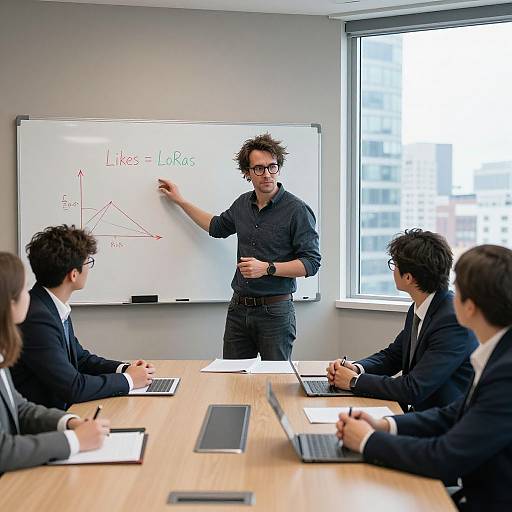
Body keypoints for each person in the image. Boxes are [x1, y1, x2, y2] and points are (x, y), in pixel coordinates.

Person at [336, 244, 512, 511]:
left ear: (470, 307)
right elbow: (453, 414)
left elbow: (444, 457)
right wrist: (383, 425)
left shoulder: (505, 373)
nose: (452, 295)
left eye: (459, 290)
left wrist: (367, 440)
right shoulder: (500, 353)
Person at [158, 133, 321, 360]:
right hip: (238, 309)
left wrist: (267, 268)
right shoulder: (242, 204)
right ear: (247, 173)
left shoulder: (297, 210)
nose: (267, 174)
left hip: (275, 312)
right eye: (259, 168)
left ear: (279, 168)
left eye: (272, 167)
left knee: (272, 382)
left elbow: (311, 263)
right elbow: (216, 227)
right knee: (232, 379)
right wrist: (181, 201)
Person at [327, 229, 477, 411]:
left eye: (394, 264)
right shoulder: (422, 307)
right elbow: (393, 356)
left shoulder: (452, 321)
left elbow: (413, 388)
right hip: (420, 415)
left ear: (408, 277)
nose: (393, 270)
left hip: (442, 424)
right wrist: (357, 369)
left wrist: (353, 381)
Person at [11, 225, 155, 410]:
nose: (89, 268)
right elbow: (74, 387)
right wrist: (129, 380)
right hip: (42, 423)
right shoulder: (37, 318)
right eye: (88, 262)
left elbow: (81, 359)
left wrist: (125, 369)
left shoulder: (50, 305)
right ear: (73, 274)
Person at [0, 251, 110, 473]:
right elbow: (3, 451)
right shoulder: (39, 317)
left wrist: (69, 422)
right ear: (9, 303)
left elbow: (19, 408)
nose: (29, 295)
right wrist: (74, 441)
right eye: (24, 289)